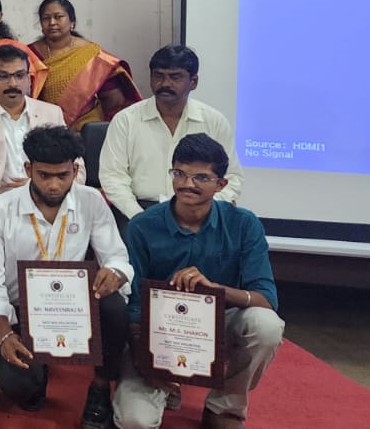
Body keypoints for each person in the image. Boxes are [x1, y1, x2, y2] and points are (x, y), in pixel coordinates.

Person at [115, 134, 282, 429]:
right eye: (179, 173)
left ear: (221, 184)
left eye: (201, 177)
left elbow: (266, 298)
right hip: (157, 331)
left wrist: (216, 291)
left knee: (266, 326)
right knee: (134, 422)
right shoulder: (143, 226)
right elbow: (135, 306)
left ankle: (224, 408)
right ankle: (163, 386)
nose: (187, 184)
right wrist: (149, 363)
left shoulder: (243, 224)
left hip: (218, 326)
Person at [0, 126, 130, 427]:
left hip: (73, 306)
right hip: (22, 309)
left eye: (63, 175)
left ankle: (100, 388)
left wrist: (115, 272)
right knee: (20, 388)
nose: (54, 185)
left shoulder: (91, 201)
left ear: (75, 170)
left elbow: (117, 256)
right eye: (44, 175)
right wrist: (4, 332)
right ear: (28, 169)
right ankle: (35, 374)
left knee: (113, 305)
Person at [99, 45, 243, 224]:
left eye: (175, 77)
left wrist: (204, 211)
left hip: (199, 211)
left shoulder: (214, 121)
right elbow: (112, 178)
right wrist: (140, 218)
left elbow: (232, 177)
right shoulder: (126, 120)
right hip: (139, 211)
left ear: (193, 82)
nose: (165, 84)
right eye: (158, 76)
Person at [0, 44, 74, 246]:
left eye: (19, 75)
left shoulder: (51, 113)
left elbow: (76, 168)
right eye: (3, 76)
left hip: (47, 200)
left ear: (29, 78)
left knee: (73, 232)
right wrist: (0, 211)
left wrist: (42, 189)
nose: (13, 83)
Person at [28, 0, 141, 130]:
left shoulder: (90, 53)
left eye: (58, 17)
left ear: (72, 22)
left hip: (86, 127)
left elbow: (114, 99)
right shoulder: (29, 53)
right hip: (43, 127)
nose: (52, 22)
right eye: (46, 18)